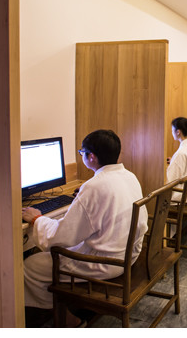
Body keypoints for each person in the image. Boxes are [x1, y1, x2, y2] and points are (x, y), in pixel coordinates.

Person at [21, 129, 147, 326]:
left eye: (82, 153)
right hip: (128, 253)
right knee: (51, 253)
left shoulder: (94, 186)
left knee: (29, 265)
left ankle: (67, 319)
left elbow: (60, 237)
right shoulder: (129, 176)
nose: (82, 156)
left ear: (91, 157)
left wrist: (37, 219)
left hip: (106, 263)